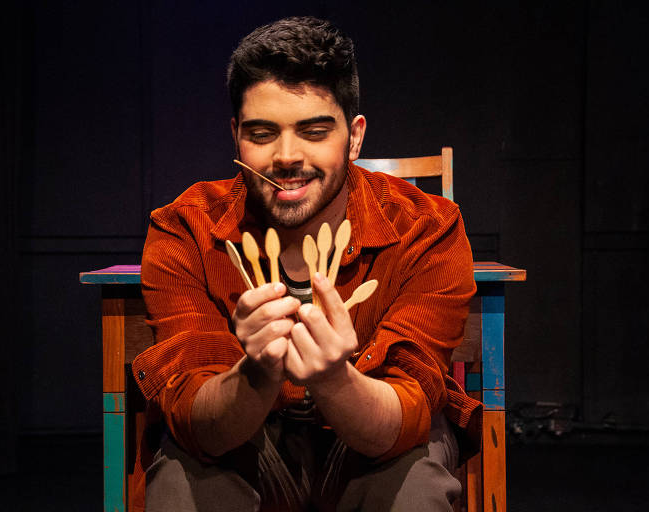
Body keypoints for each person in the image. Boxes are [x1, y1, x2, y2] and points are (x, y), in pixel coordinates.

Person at [130, 16, 480, 512]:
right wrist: (257, 372)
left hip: (371, 443)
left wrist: (334, 378)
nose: (287, 156)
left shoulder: (427, 228)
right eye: (262, 133)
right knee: (183, 477)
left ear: (354, 138)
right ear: (236, 136)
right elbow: (197, 423)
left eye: (314, 131)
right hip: (245, 441)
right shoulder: (186, 230)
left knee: (414, 483)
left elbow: (406, 414)